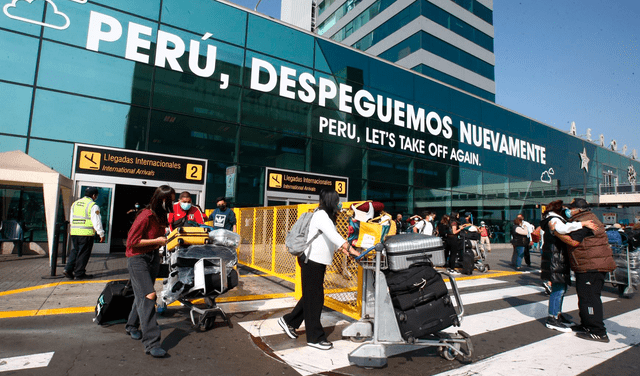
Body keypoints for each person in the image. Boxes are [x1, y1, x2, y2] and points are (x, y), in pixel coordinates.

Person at [278, 190, 360, 350]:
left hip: (316, 262)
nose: (339, 204)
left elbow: (329, 238)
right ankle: (314, 338)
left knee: (311, 296)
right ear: (331, 202)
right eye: (337, 201)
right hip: (311, 261)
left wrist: (342, 249)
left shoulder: (325, 216)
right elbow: (334, 236)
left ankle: (289, 321)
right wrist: (351, 249)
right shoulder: (321, 215)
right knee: (315, 299)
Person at [553, 198, 616, 343]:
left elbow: (574, 241)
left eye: (571, 208)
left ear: (578, 209)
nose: (568, 210)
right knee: (585, 297)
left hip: (591, 266)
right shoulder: (585, 219)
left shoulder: (586, 221)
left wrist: (557, 233)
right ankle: (586, 325)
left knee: (590, 298)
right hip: (589, 264)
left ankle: (598, 331)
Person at [124, 185, 175, 358]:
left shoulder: (161, 217)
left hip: (153, 257)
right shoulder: (145, 216)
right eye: (172, 200)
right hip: (138, 259)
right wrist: (157, 240)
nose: (173, 203)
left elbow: (158, 239)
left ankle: (131, 326)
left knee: (142, 295)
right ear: (162, 200)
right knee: (149, 295)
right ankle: (152, 343)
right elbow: (132, 242)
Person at [539, 200, 597, 332]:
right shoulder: (554, 219)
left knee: (561, 289)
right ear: (559, 209)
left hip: (557, 259)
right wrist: (583, 223)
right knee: (558, 290)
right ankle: (552, 318)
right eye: (566, 208)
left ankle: (557, 315)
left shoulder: (556, 218)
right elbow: (562, 229)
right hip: (555, 260)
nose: (568, 210)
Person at [63, 187, 105, 280]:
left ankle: (68, 269)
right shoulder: (93, 205)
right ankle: (79, 273)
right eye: (96, 196)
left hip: (74, 232)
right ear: (94, 195)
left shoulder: (75, 204)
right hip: (86, 233)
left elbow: (71, 218)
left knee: (75, 251)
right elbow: (96, 221)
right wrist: (101, 234)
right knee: (83, 253)